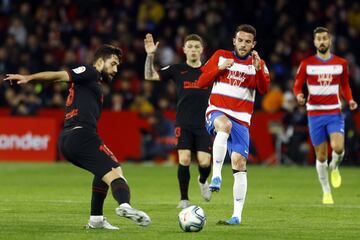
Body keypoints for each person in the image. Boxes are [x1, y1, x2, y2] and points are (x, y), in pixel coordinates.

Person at [4, 44, 151, 230]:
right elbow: (59, 75)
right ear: (100, 61)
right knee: (116, 172)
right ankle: (125, 206)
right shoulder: (90, 72)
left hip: (70, 137)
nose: (115, 70)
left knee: (103, 171)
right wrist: (29, 78)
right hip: (81, 135)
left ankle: (96, 220)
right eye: (113, 64)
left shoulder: (93, 82)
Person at [197, 24, 270, 225]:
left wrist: (258, 71)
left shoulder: (259, 64)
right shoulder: (220, 56)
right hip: (217, 111)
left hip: (242, 120)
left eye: (248, 41)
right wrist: (219, 69)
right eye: (240, 40)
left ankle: (236, 216)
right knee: (224, 125)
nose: (243, 44)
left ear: (253, 44)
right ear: (234, 41)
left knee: (239, 163)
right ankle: (217, 176)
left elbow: (263, 90)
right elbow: (202, 81)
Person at [144, 33, 212, 209]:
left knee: (205, 162)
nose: (193, 50)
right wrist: (150, 54)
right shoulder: (176, 69)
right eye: (190, 46)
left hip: (204, 124)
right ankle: (184, 199)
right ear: (184, 50)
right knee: (185, 158)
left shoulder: (210, 70)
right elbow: (149, 76)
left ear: (202, 50)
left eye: (197, 47)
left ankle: (203, 180)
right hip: (183, 123)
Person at [293, 27, 358, 204]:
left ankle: (335, 166)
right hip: (314, 113)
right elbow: (297, 85)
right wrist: (299, 95)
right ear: (314, 42)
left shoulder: (341, 63)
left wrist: (350, 99)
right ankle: (326, 191)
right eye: (318, 39)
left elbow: (345, 86)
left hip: (334, 112)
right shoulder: (307, 64)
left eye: (324, 38)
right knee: (321, 156)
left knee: (338, 148)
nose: (322, 41)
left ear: (330, 41)